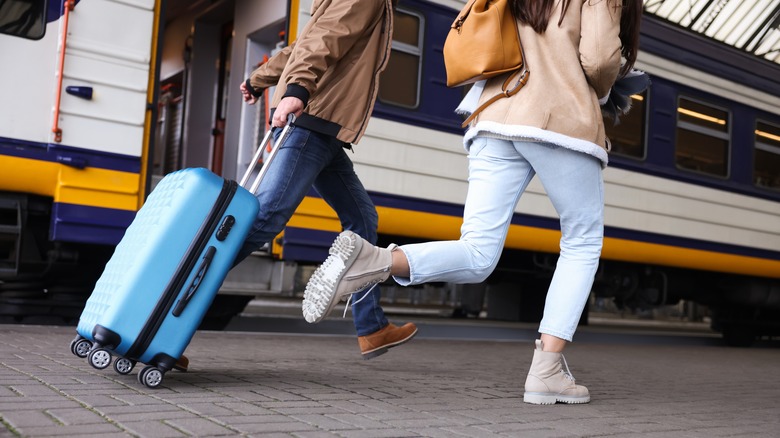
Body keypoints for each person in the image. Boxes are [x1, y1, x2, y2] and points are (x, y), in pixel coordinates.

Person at [302, 0, 644, 403]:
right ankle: (546, 371)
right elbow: (600, 59)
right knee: (582, 241)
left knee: (478, 252)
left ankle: (374, 260)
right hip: (558, 120)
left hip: (492, 117)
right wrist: (604, 90)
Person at [236, 0, 417, 360]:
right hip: (312, 124)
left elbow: (302, 44)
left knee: (362, 219)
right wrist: (297, 90)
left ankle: (372, 328)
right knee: (266, 216)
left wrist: (257, 81)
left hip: (323, 129)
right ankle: (172, 302)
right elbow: (324, 40)